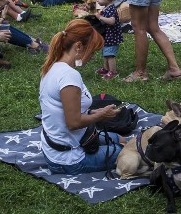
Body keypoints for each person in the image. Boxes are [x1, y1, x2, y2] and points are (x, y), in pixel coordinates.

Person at [39, 19, 125, 175]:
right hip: (67, 159)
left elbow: (65, 111)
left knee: (119, 139)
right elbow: (73, 122)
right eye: (92, 51)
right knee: (128, 151)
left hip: (57, 145)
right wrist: (101, 116)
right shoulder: (69, 76)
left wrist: (94, 113)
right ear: (78, 46)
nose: (92, 57)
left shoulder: (52, 66)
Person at [93, 0, 122, 80]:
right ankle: (106, 69)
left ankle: (113, 72)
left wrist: (101, 17)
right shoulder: (106, 8)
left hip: (112, 37)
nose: (97, 0)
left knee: (110, 55)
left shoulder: (111, 9)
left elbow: (112, 21)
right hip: (107, 37)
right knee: (106, 54)